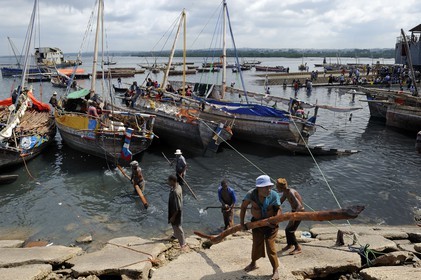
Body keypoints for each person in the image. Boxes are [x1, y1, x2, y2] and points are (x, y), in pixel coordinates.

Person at [240, 175, 281, 280]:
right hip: (257, 224)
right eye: (265, 187)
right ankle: (253, 263)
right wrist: (242, 223)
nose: (268, 189)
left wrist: (274, 221)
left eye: (269, 187)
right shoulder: (251, 195)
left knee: (270, 246)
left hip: (271, 225)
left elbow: (278, 210)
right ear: (258, 188)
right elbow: (243, 207)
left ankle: (275, 270)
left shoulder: (274, 195)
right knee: (256, 244)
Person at [276, 178, 304, 255]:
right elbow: (280, 202)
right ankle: (289, 245)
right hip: (294, 212)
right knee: (287, 229)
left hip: (299, 212)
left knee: (290, 231)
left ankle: (297, 248)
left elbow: (299, 206)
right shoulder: (285, 192)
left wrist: (293, 217)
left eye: (277, 186)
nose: (276, 188)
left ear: (281, 187)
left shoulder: (291, 192)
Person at [167, 174, 187, 250]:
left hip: (176, 212)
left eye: (169, 181)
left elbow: (178, 208)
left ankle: (183, 243)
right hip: (173, 209)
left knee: (178, 226)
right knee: (173, 224)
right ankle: (175, 235)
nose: (168, 182)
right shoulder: (178, 186)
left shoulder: (176, 192)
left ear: (173, 181)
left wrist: (173, 217)